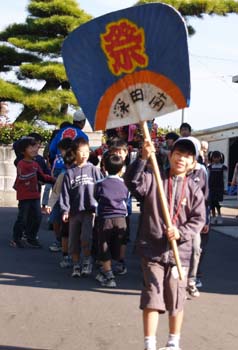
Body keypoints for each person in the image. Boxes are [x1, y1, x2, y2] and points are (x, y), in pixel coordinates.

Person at [124, 137, 206, 350]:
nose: (182, 159)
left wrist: (181, 232)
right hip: (152, 250)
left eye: (188, 156)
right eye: (178, 153)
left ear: (193, 163)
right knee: (152, 294)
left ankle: (172, 343)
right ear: (170, 156)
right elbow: (131, 182)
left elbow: (198, 220)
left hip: (181, 253)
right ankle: (149, 344)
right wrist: (142, 158)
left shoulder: (195, 189)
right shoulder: (154, 179)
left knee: (177, 299)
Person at [60, 137, 102, 278]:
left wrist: (100, 206)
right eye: (81, 151)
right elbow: (65, 193)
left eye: (87, 151)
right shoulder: (69, 173)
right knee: (73, 241)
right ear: (74, 152)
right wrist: (65, 210)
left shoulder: (94, 170)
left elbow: (102, 188)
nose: (84, 154)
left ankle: (86, 261)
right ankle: (76, 264)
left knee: (86, 238)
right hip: (74, 212)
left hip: (89, 211)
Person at [11, 137, 55, 248]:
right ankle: (17, 238)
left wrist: (54, 179)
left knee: (38, 216)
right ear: (23, 151)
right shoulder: (21, 163)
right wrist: (35, 174)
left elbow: (42, 176)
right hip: (24, 195)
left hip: (34, 194)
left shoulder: (35, 164)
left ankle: (31, 237)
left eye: (35, 147)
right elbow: (23, 176)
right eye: (31, 147)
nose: (35, 149)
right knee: (23, 218)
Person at [94, 154, 129, 288]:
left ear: (104, 168)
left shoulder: (100, 184)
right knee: (118, 243)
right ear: (121, 169)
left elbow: (96, 198)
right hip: (121, 218)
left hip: (105, 218)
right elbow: (126, 198)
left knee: (104, 244)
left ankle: (108, 273)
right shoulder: (124, 184)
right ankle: (115, 266)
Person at [208, 151, 228, 224]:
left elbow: (225, 178)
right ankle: (213, 217)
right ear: (212, 158)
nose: (216, 159)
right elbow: (208, 177)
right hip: (211, 187)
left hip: (219, 187)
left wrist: (225, 188)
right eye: (214, 157)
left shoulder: (223, 167)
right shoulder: (210, 167)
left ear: (220, 158)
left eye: (217, 157)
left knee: (217, 203)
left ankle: (219, 216)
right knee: (212, 203)